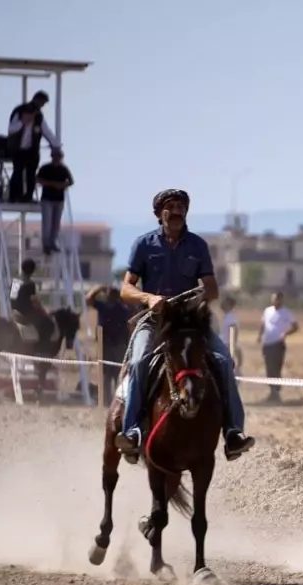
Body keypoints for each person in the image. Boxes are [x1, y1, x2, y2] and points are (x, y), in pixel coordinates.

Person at [114, 188, 254, 463]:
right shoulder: (143, 244)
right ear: (159, 213)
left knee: (224, 361)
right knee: (140, 361)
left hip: (190, 323)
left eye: (181, 207)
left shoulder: (198, 246)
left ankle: (233, 432)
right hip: (155, 321)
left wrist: (196, 298)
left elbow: (211, 288)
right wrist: (149, 298)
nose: (177, 211)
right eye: (171, 207)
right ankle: (132, 433)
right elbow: (125, 289)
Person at [7, 91, 60, 202]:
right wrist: (23, 121)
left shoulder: (39, 116)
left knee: (31, 174)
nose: (42, 106)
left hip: (32, 150)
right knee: (17, 172)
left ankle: (28, 197)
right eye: (41, 102)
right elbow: (11, 129)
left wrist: (56, 145)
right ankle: (13, 196)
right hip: (18, 149)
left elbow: (46, 131)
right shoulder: (19, 111)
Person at [86, 284, 132, 404]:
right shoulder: (122, 308)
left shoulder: (109, 307)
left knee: (113, 374)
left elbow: (88, 299)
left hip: (114, 345)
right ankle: (111, 400)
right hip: (110, 344)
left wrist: (99, 288)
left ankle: (111, 400)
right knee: (111, 374)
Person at [257, 291, 298, 403]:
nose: (274, 301)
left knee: (276, 368)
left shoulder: (286, 313)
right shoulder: (267, 310)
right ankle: (272, 392)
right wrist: (260, 336)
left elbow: (295, 327)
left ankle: (276, 392)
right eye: (273, 299)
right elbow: (263, 324)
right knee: (269, 368)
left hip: (278, 344)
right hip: (267, 344)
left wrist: (286, 333)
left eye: (276, 299)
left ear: (281, 300)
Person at [9, 258, 55, 346]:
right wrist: (44, 311)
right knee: (48, 324)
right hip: (26, 313)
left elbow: (12, 297)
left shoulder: (15, 281)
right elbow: (34, 301)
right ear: (32, 271)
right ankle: (42, 346)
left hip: (14, 311)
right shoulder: (30, 284)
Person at [36, 148, 73, 254]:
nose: (57, 158)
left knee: (56, 223)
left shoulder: (64, 169)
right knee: (47, 223)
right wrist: (52, 184)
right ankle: (46, 244)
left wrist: (62, 185)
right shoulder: (45, 168)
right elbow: (38, 179)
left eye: (59, 157)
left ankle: (53, 242)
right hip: (47, 199)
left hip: (59, 200)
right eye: (56, 156)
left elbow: (71, 181)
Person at [219, 295, 243, 376]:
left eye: (225, 303)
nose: (222, 304)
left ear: (229, 305)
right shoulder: (227, 317)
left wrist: (232, 347)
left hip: (228, 347)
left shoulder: (230, 318)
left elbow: (234, 332)